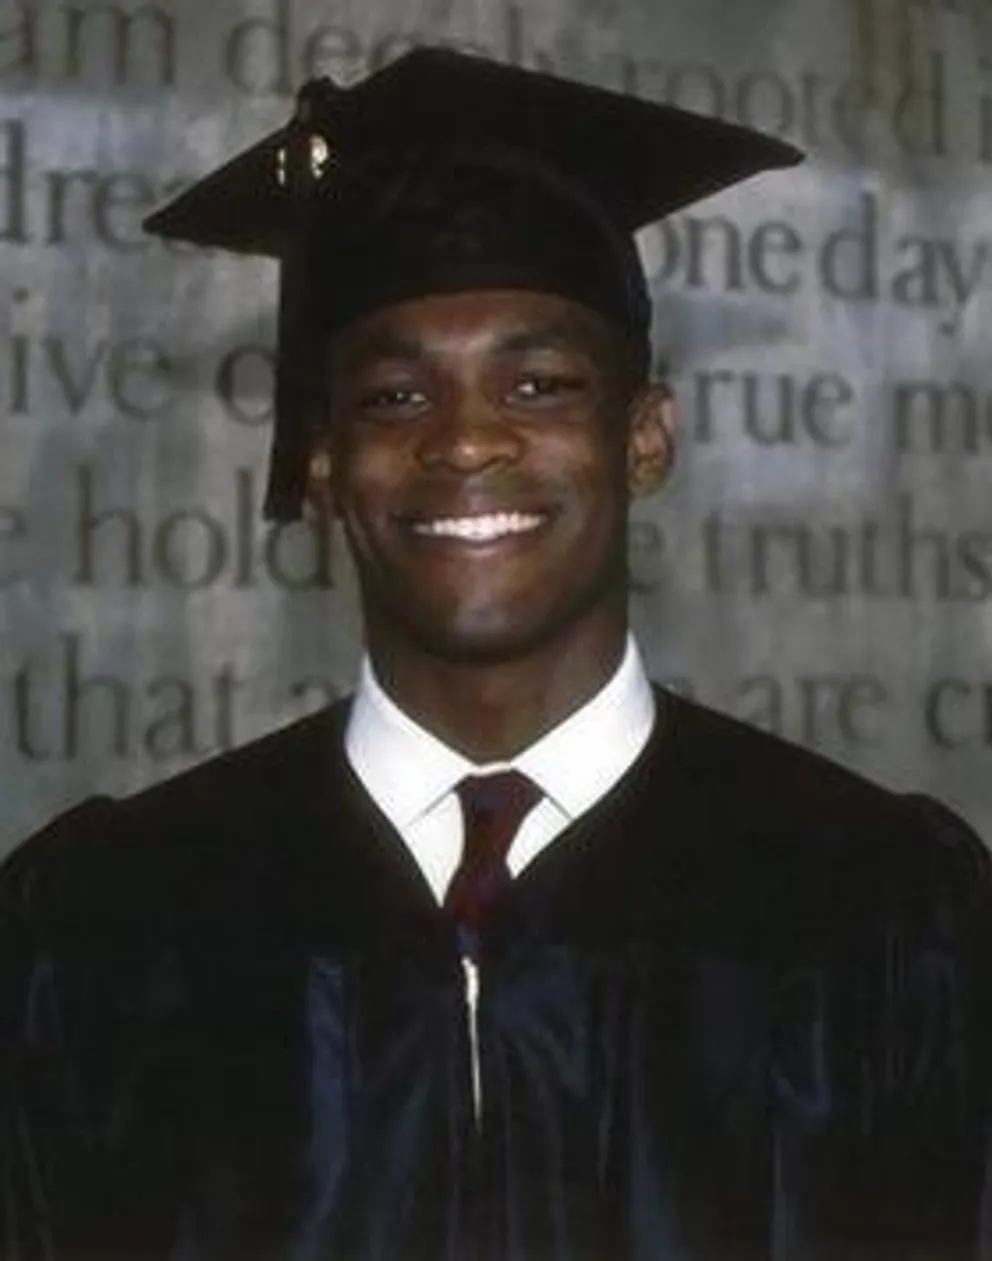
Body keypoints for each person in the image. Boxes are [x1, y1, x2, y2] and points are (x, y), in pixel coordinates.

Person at [1, 47, 989, 1261]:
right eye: (394, 399)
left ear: (642, 439)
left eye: (536, 384)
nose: (466, 442)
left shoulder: (878, 912)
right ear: (318, 464)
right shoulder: (110, 929)